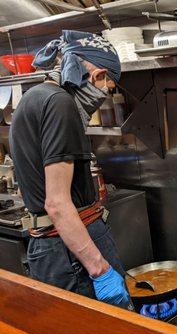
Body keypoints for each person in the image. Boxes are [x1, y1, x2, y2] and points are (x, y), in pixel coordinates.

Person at [9, 30, 132, 309]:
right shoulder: (60, 104)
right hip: (70, 255)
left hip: (54, 250)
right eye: (108, 88)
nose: (104, 95)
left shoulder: (34, 97)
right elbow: (57, 204)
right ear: (98, 75)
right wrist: (100, 270)